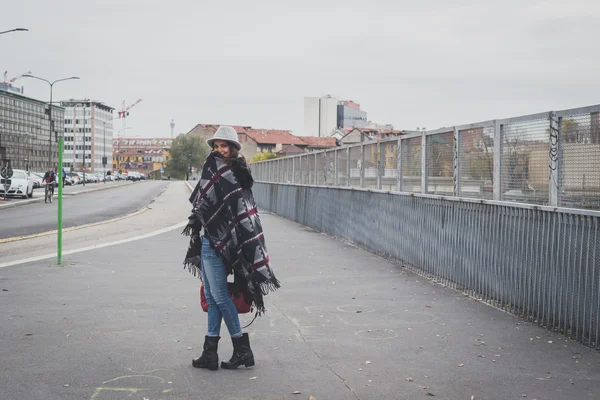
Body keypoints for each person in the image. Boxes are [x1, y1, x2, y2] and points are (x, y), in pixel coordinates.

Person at [182, 126, 280, 371]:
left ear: (234, 148)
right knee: (212, 298)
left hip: (219, 244)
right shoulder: (221, 169)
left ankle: (242, 350)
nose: (219, 151)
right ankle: (210, 353)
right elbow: (206, 199)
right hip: (211, 239)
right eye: (216, 146)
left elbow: (241, 211)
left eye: (224, 146)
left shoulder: (234, 172)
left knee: (219, 297)